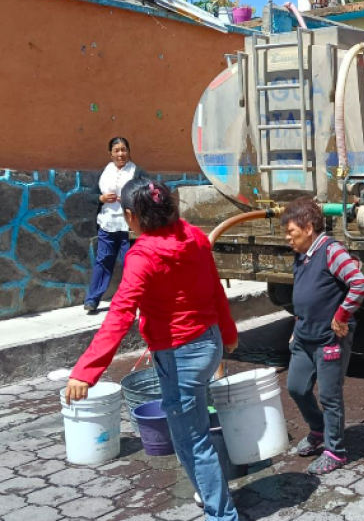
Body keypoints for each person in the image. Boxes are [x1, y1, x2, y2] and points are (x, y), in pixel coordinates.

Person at [65, 178, 240, 521]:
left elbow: (119, 316)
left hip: (181, 356)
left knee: (193, 441)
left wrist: (86, 371)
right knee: (190, 432)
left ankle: (223, 515)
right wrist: (230, 332)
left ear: (132, 216)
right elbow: (214, 289)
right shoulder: (194, 236)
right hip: (210, 343)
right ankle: (210, 496)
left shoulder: (142, 257)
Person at [282, 197, 364, 475]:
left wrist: (341, 315)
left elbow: (359, 283)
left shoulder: (331, 251)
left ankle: (336, 451)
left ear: (309, 228)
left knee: (330, 396)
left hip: (330, 339)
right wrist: (297, 327)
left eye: (291, 232)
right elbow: (304, 297)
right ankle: (318, 429)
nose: (288, 239)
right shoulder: (301, 255)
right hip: (304, 337)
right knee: (296, 387)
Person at [84, 137, 147, 314]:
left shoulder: (137, 172)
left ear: (129, 151)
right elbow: (90, 196)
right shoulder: (104, 173)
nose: (121, 154)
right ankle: (92, 299)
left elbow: (150, 192)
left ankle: (135, 301)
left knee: (131, 263)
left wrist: (133, 200)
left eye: (124, 150)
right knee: (103, 261)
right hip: (107, 224)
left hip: (130, 227)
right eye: (117, 150)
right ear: (110, 153)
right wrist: (101, 198)